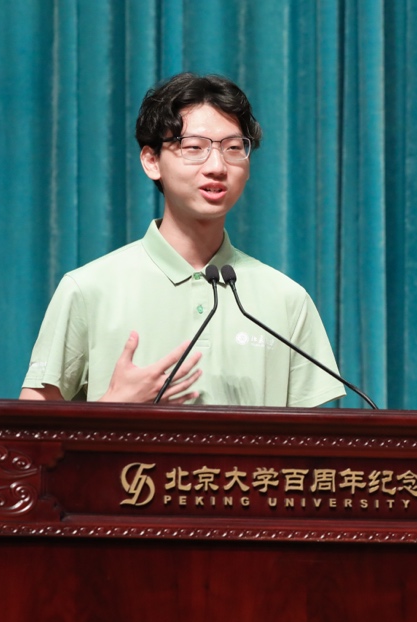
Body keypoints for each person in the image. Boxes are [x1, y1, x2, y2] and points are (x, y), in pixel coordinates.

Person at [20, 72, 345, 407]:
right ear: (151, 161)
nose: (217, 166)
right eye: (194, 148)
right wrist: (113, 406)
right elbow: (29, 429)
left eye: (234, 148)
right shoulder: (88, 289)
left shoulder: (287, 300)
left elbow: (312, 435)